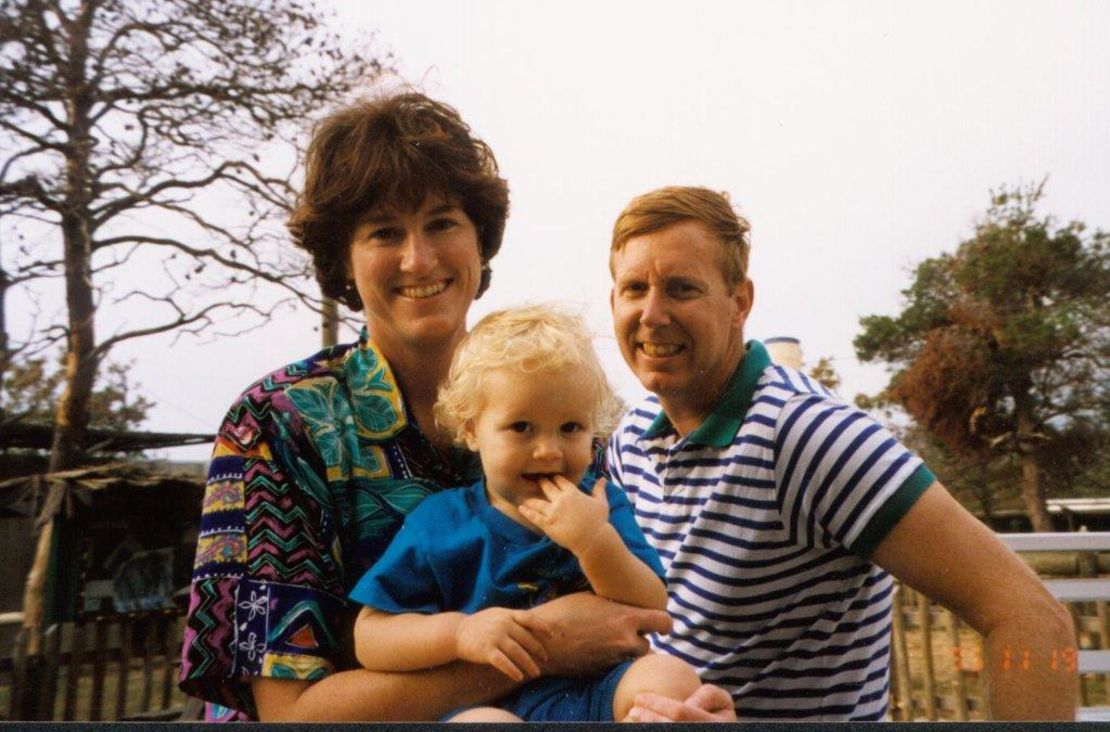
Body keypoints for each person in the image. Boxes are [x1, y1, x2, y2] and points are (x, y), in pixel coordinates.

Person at [177, 93, 683, 722]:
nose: (419, 259)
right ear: (343, 259)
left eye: (442, 222)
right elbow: (292, 716)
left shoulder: (561, 414)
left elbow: (629, 622)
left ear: (480, 240)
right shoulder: (279, 424)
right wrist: (543, 646)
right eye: (385, 232)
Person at [605, 186, 1079, 721]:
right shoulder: (632, 437)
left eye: (681, 289)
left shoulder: (807, 436)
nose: (652, 313)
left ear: (739, 303)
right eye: (634, 289)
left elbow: (1031, 617)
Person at [348, 306, 702, 722]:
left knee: (669, 676)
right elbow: (370, 636)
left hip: (598, 693)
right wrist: (459, 633)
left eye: (570, 428)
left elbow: (652, 605)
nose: (549, 450)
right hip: (488, 704)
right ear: (470, 429)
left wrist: (594, 542)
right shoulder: (441, 523)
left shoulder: (601, 505)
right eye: (522, 427)